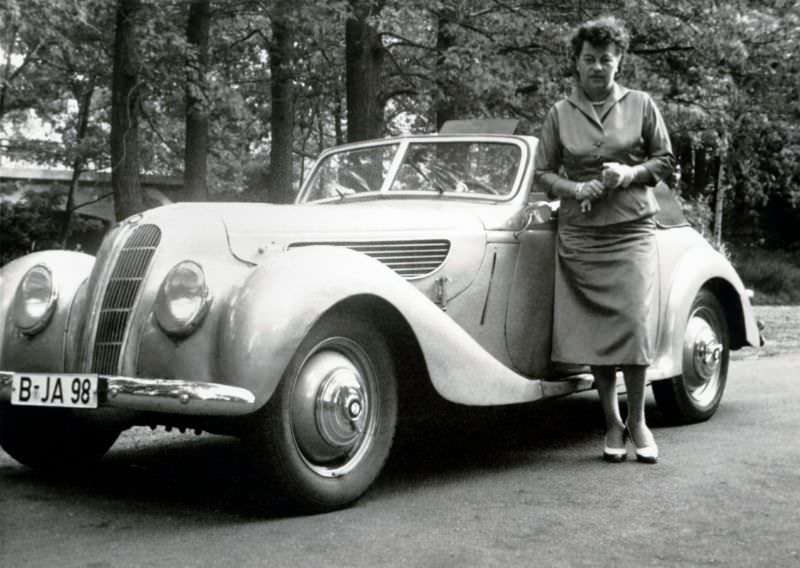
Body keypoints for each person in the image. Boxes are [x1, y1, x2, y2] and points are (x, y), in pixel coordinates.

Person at [534, 16, 674, 463]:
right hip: (581, 234)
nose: (597, 67)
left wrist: (629, 173)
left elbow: (664, 159)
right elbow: (543, 172)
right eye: (589, 59)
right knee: (596, 333)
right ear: (576, 63)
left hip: (631, 230)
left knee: (632, 326)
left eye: (606, 60)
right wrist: (575, 189)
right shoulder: (559, 113)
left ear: (619, 63)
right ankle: (611, 422)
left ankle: (638, 420)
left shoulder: (641, 104)